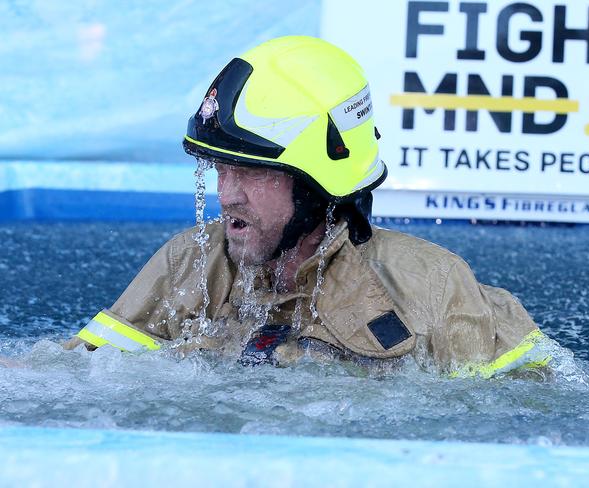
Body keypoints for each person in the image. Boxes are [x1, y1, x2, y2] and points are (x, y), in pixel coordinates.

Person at [64, 36, 552, 377]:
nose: (227, 192)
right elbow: (67, 375)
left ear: (318, 181)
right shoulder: (187, 265)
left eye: (253, 171)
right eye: (219, 168)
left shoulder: (434, 288)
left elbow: (523, 423)